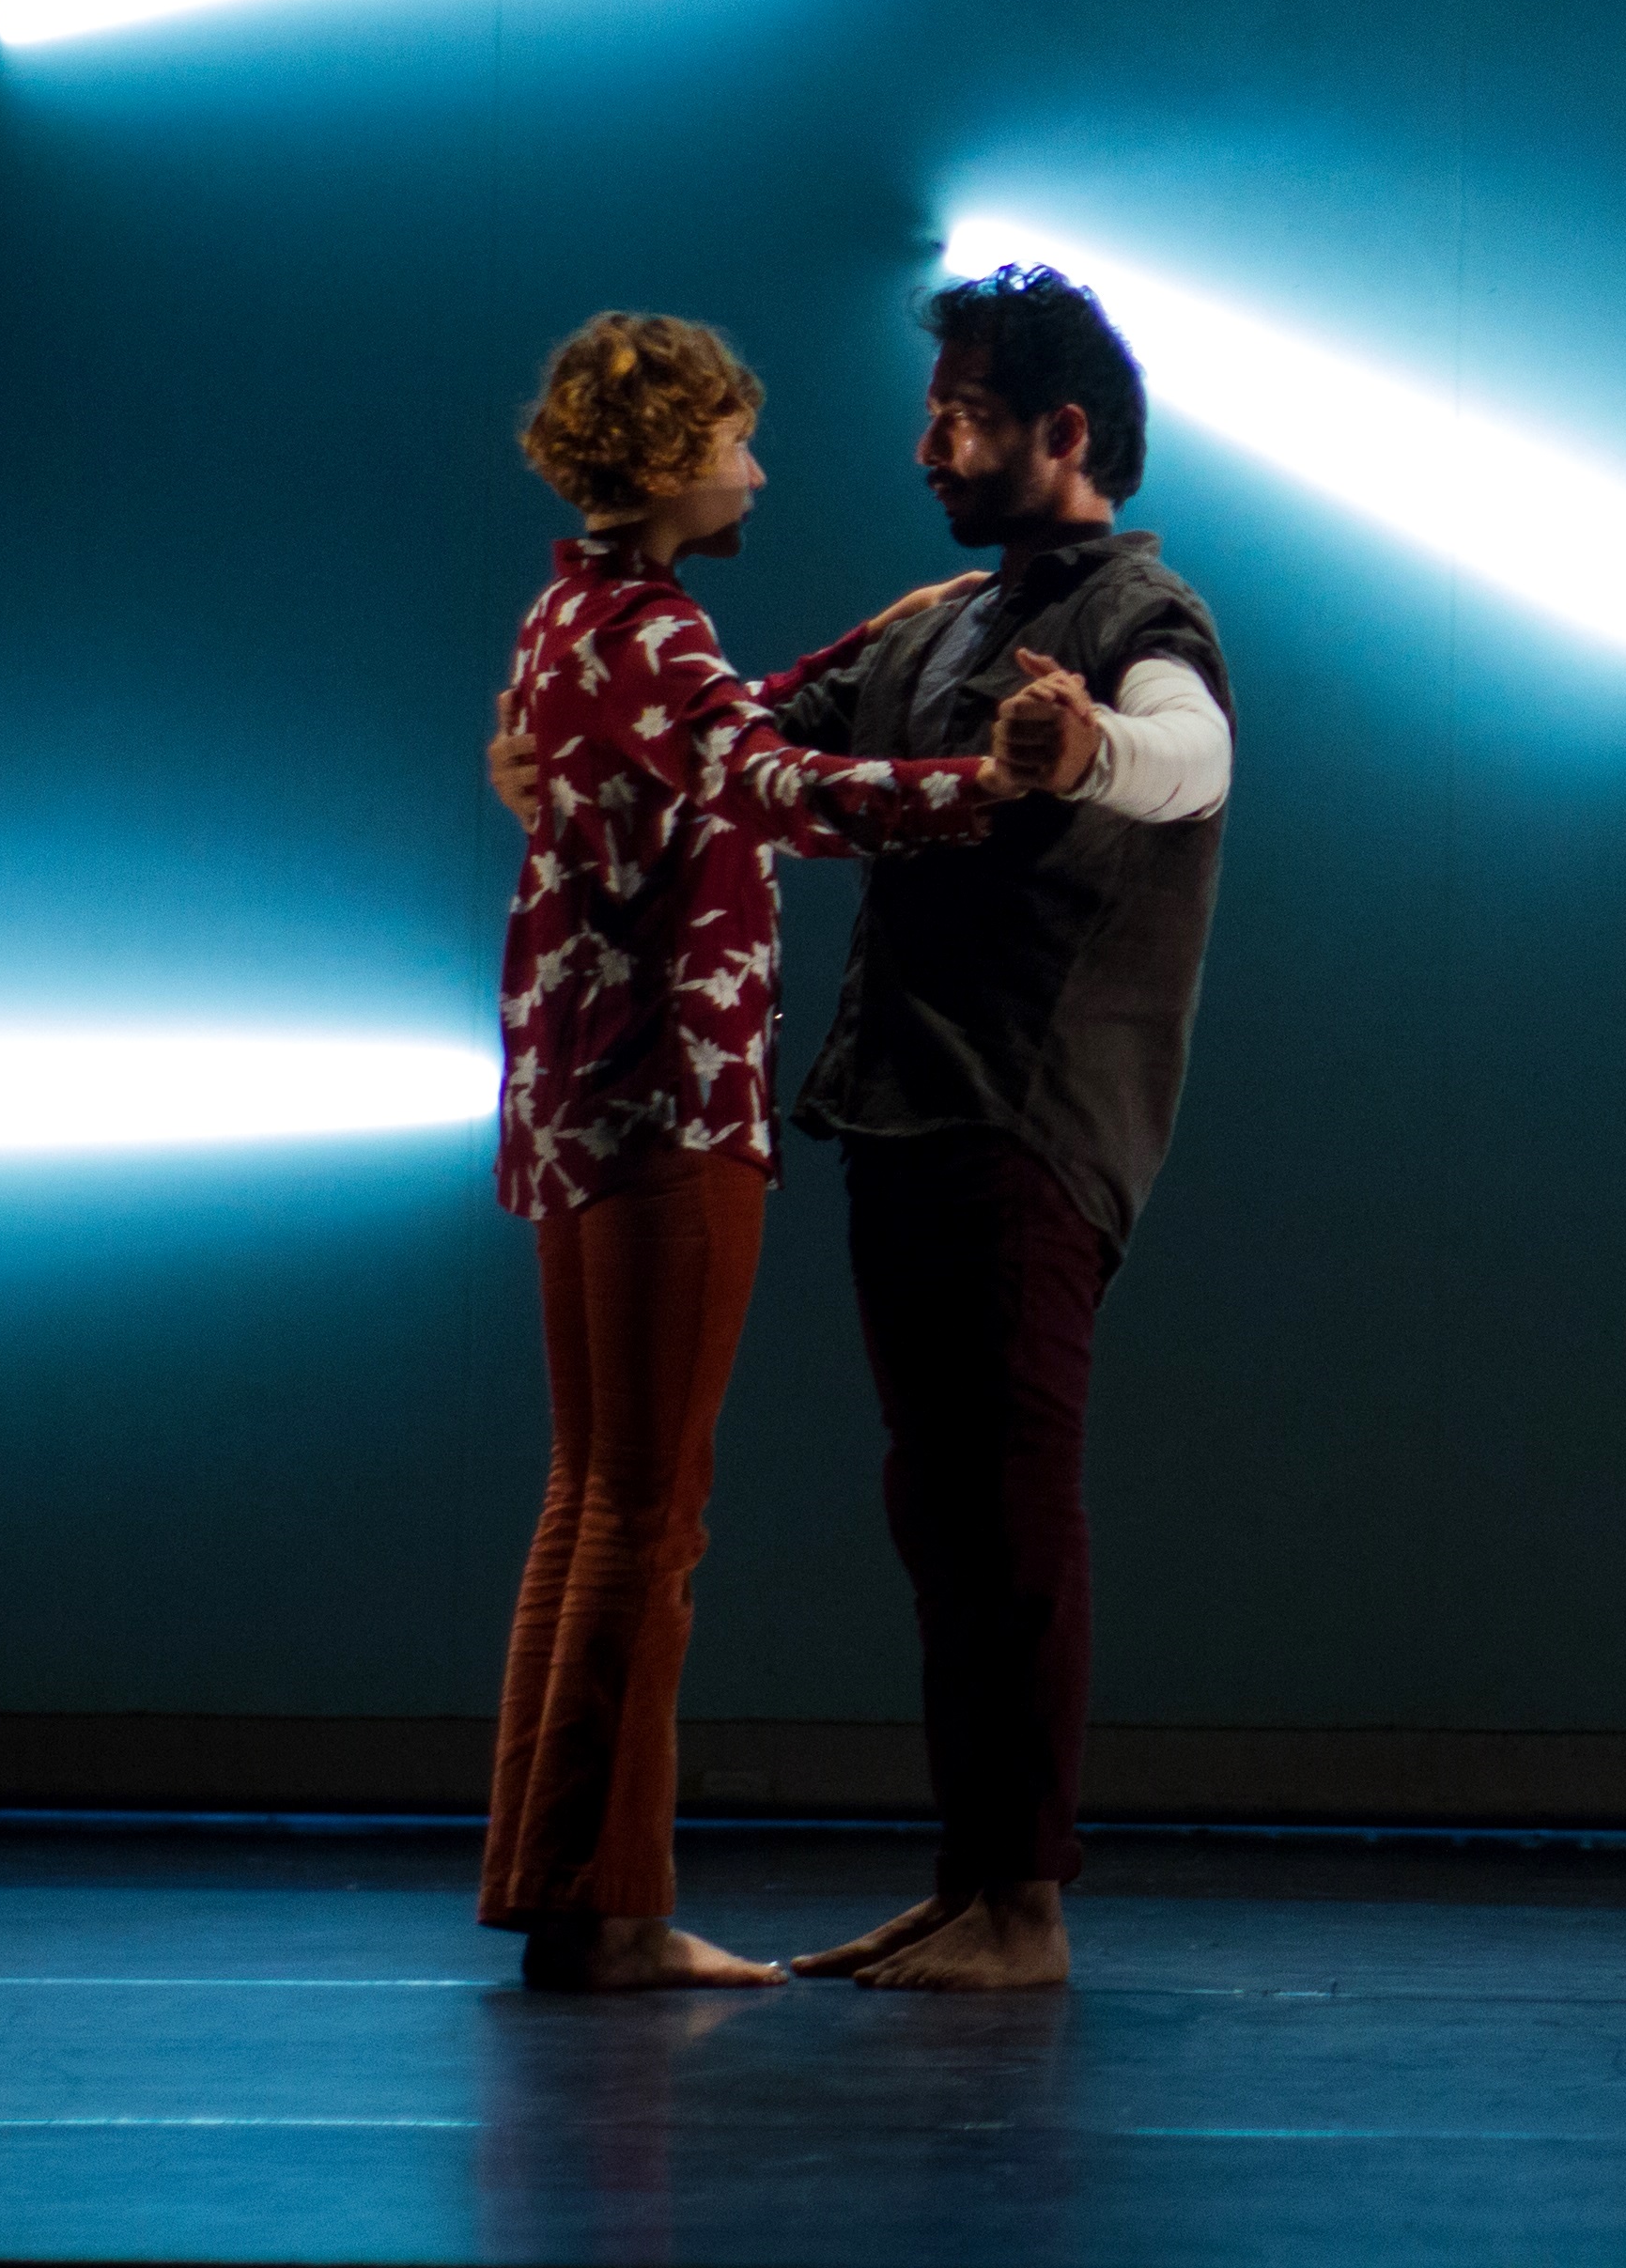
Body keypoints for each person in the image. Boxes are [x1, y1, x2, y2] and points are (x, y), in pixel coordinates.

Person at [507, 262, 1233, 1992]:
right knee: (944, 1518)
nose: (925, 446)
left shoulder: (1142, 614)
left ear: (1063, 434)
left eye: (962, 418)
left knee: (1006, 1514)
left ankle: (1019, 1904)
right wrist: (563, 738)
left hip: (1024, 1118)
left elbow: (1189, 755)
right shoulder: (946, 625)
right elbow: (745, 743)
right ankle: (973, 1883)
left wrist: (1074, 759)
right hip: (902, 1114)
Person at [480, 312, 1048, 1994]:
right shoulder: (657, 635)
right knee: (653, 1511)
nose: (759, 470)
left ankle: (562, 1889)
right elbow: (783, 788)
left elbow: (718, 725)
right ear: (672, 463)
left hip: (577, 1095)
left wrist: (886, 629)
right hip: (674, 1092)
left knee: (593, 1493)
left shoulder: (576, 615)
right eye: (736, 442)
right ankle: (617, 1913)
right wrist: (990, 782)